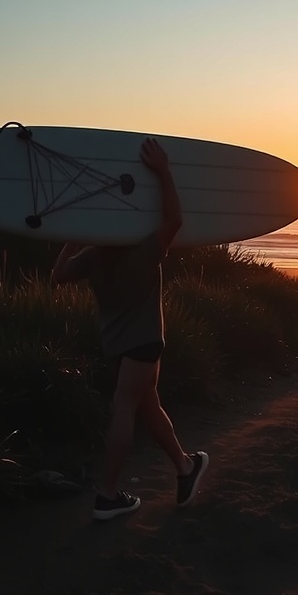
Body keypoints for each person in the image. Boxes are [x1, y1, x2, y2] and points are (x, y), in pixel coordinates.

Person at [51, 137, 208, 520]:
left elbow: (57, 275)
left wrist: (74, 234)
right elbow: (174, 220)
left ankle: (186, 467)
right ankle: (107, 496)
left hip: (117, 344)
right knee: (125, 406)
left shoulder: (92, 257)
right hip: (144, 341)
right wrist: (164, 172)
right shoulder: (143, 251)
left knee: (147, 404)